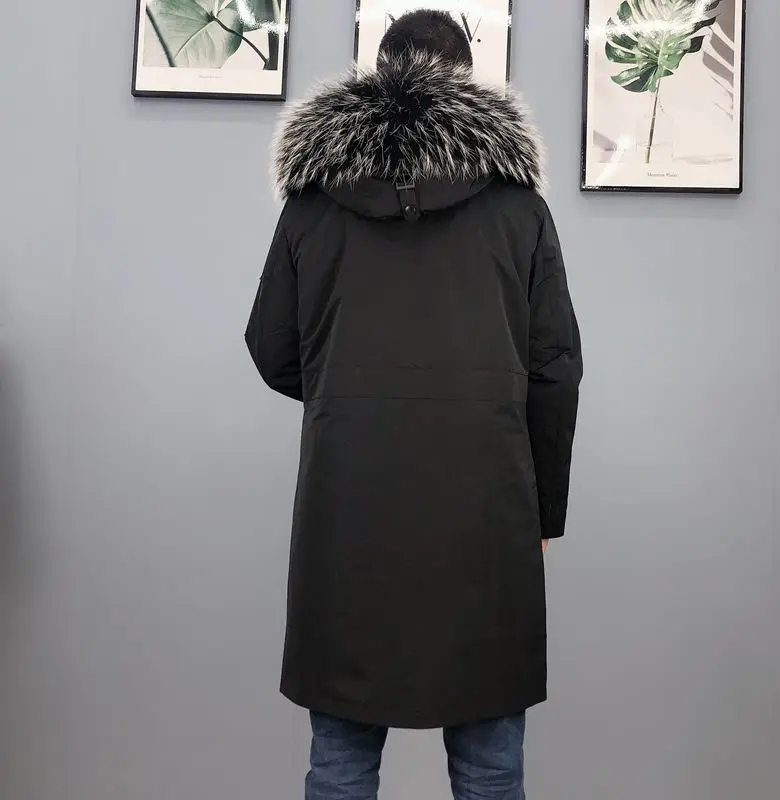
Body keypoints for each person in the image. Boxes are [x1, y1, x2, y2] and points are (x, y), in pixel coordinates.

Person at [246, 9, 582, 799]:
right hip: (486, 513)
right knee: (490, 768)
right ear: (467, 83)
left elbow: (272, 348)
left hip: (348, 509)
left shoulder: (313, 204)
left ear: (378, 78)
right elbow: (555, 371)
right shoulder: (519, 210)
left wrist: (349, 394)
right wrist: (542, 516)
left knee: (340, 764)